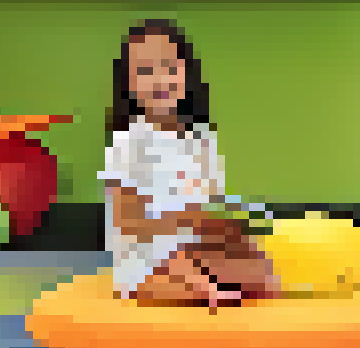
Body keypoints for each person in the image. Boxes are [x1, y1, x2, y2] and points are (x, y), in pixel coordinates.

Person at [100, 19, 279, 309]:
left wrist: (225, 226)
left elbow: (210, 204)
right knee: (181, 268)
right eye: (145, 71)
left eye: (169, 68)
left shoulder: (201, 139)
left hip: (194, 247)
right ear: (128, 85)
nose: (160, 80)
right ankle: (204, 287)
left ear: (187, 74)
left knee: (255, 262)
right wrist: (183, 220)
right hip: (148, 258)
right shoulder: (127, 144)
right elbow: (128, 226)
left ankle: (214, 282)